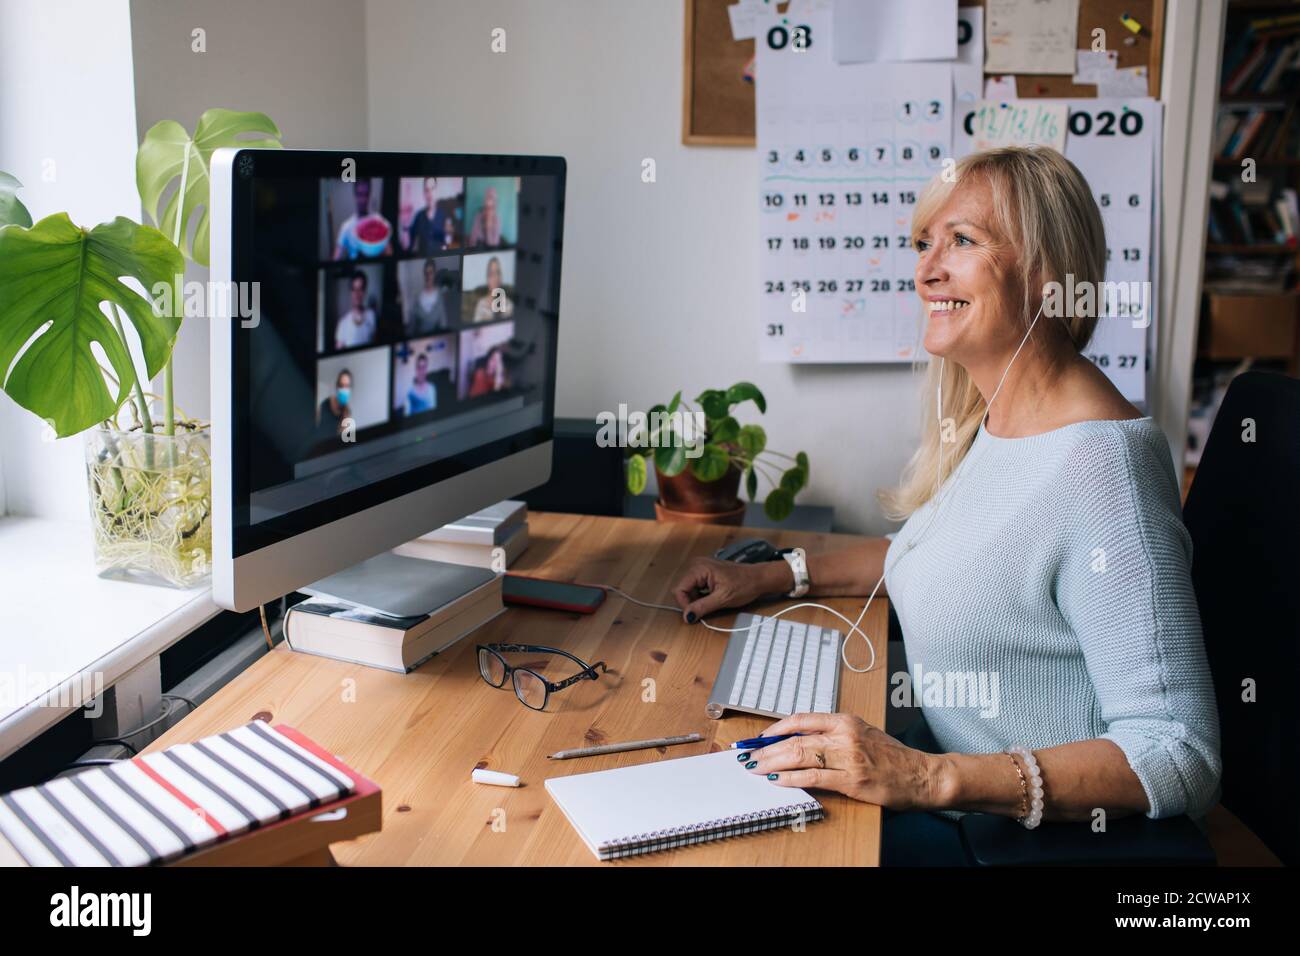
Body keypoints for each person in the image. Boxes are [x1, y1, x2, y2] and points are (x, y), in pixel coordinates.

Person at [670, 147, 1220, 866]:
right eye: (925, 243)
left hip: (1028, 843)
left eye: (962, 241)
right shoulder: (998, 419)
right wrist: (775, 576)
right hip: (960, 798)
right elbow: (940, 558)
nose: (927, 270)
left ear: (1048, 275)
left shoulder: (1102, 466)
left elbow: (1180, 751)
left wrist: (927, 776)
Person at [333, 179, 392, 260]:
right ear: (355, 195)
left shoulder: (379, 221)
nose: (363, 200)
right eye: (360, 194)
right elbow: (336, 258)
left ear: (369, 195)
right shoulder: (346, 227)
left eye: (366, 194)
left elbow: (389, 253)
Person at [406, 177, 451, 254]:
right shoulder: (418, 216)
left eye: (432, 189)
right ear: (424, 193)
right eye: (427, 190)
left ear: (437, 191)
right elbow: (411, 244)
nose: (430, 194)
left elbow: (446, 242)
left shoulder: (444, 215)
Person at [335, 270, 377, 350]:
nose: (357, 294)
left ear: (365, 292)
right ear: (350, 292)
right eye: (354, 289)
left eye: (360, 289)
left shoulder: (372, 315)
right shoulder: (342, 323)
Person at [407, 259, 447, 334]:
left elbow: (443, 321)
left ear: (435, 274)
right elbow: (412, 323)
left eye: (431, 272)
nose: (428, 276)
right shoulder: (417, 295)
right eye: (426, 273)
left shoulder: (439, 294)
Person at [472, 255, 514, 323]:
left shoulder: (509, 305)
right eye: (492, 274)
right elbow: (474, 330)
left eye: (498, 273)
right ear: (487, 279)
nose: (496, 278)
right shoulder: (481, 304)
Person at [315, 369, 352, 443]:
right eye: (341, 385)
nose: (344, 389)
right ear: (337, 386)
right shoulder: (324, 404)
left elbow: (344, 439)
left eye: (347, 386)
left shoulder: (347, 412)